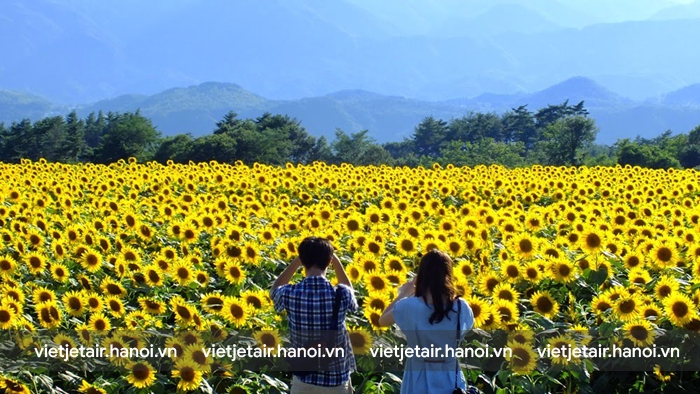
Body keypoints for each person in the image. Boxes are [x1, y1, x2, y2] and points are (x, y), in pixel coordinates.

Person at [378, 249, 474, 394]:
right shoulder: (461, 307)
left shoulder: (409, 306)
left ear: (422, 275)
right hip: (450, 377)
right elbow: (465, 328)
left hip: (417, 377)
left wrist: (405, 292)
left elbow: (382, 320)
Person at [270, 236, 358, 393]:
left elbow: (274, 290)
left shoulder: (290, 293)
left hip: (304, 378)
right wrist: (336, 262)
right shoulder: (341, 294)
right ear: (329, 262)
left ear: (303, 261)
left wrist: (296, 262)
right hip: (336, 380)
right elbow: (350, 292)